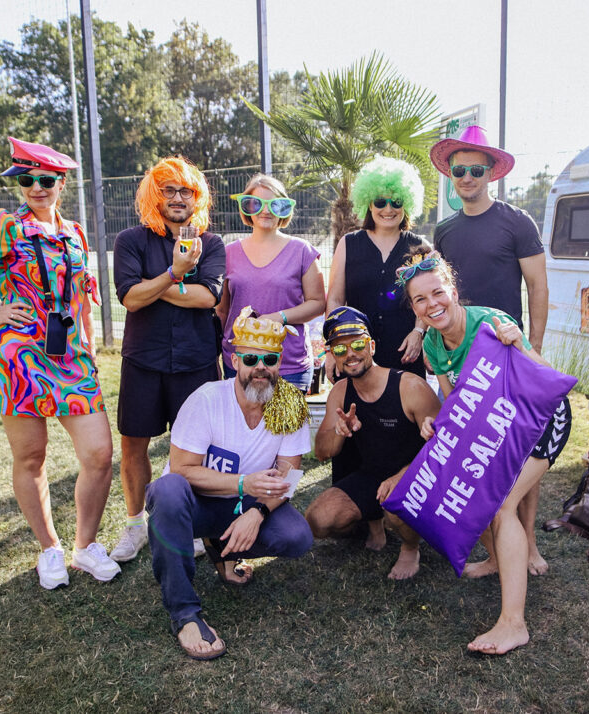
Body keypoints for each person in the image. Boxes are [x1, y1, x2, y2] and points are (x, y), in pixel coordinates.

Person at [0, 136, 120, 590]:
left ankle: (85, 547)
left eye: (45, 179)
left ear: (60, 182)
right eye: (26, 179)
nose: (36, 187)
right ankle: (50, 548)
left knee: (99, 455)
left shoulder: (73, 232)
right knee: (31, 457)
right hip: (18, 357)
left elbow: (79, 294)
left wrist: (86, 339)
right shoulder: (5, 228)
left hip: (69, 356)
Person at [391, 248, 571, 655]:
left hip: (540, 419)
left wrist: (520, 345)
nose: (432, 304)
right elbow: (457, 408)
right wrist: (433, 424)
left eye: (437, 293)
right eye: (421, 300)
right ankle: (495, 560)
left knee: (502, 505)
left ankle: (513, 624)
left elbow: (546, 376)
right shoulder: (435, 346)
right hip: (499, 428)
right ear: (415, 309)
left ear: (452, 291)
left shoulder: (490, 321)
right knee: (476, 489)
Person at [146, 308, 313, 660]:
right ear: (235, 360)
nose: (260, 367)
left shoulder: (289, 403)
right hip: (196, 501)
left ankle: (222, 550)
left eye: (269, 358)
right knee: (167, 491)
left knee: (296, 536)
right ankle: (185, 613)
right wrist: (244, 484)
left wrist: (256, 513)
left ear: (280, 361)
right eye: (250, 358)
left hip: (246, 503)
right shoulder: (207, 399)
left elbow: (289, 473)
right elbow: (182, 469)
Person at [429, 124, 556, 575]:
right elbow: (436, 294)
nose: (467, 177)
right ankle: (495, 550)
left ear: (490, 174)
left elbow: (538, 286)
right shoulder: (443, 230)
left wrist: (533, 344)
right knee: (479, 452)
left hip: (507, 351)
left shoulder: (517, 222)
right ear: (451, 174)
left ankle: (531, 544)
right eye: (459, 170)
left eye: (475, 170)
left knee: (521, 448)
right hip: (462, 356)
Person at [109, 156, 226, 564]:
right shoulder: (130, 241)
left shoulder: (210, 243)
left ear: (198, 198)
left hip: (196, 361)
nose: (178, 198)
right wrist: (176, 274)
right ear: (153, 195)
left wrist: (152, 286)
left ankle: (187, 522)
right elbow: (129, 299)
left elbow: (208, 298)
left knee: (193, 448)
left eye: (186, 191)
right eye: (169, 190)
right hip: (143, 360)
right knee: (133, 445)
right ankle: (135, 524)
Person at [305, 306, 439, 579]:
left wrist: (403, 475)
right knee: (318, 520)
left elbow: (445, 450)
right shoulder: (340, 392)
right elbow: (321, 452)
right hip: (372, 478)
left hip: (420, 476)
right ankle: (374, 520)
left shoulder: (410, 388)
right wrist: (339, 432)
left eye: (357, 344)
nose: (350, 354)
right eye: (340, 350)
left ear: (372, 346)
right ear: (334, 357)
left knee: (395, 503)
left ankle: (411, 547)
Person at [217, 174, 326, 392]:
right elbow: (222, 312)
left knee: (285, 427)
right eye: (256, 203)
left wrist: (279, 317)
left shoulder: (302, 250)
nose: (265, 211)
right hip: (240, 364)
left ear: (285, 209)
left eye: (275, 204)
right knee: (243, 427)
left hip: (288, 366)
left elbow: (317, 302)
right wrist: (216, 356)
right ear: (246, 207)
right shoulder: (228, 253)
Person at [326, 156, 429, 378]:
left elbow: (430, 298)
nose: (388, 209)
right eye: (380, 202)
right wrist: (331, 349)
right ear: (369, 204)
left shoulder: (420, 247)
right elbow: (335, 300)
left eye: (396, 202)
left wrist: (418, 332)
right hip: (355, 356)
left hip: (404, 355)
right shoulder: (348, 244)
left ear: (407, 203)